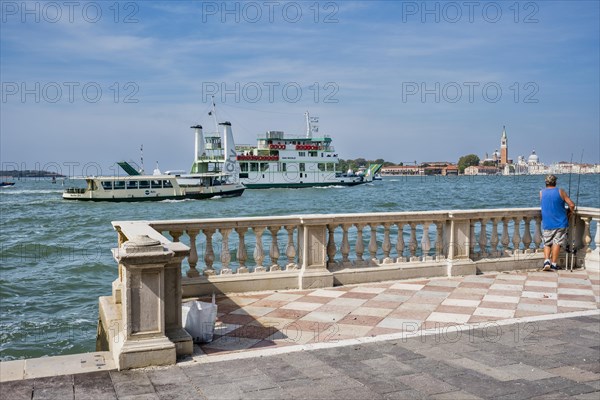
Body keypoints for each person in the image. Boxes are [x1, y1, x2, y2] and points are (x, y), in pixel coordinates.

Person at [540, 174, 575, 271]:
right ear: (555, 182)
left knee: (547, 243)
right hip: (560, 222)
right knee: (557, 243)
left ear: (546, 182)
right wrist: (569, 213)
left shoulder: (541, 193)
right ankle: (553, 264)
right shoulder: (560, 191)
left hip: (547, 222)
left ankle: (546, 261)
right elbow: (571, 205)